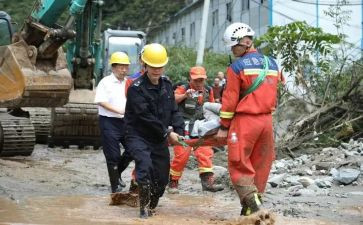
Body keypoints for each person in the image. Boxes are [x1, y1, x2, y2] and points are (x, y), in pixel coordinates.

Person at [216, 23, 283, 217]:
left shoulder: (236, 67)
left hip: (245, 122)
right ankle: (249, 210)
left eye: (234, 45)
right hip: (266, 122)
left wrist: (223, 126)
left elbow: (229, 101)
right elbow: (275, 92)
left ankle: (253, 205)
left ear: (245, 42)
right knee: (262, 163)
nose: (232, 49)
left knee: (239, 162)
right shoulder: (272, 63)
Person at [124, 43, 184, 218]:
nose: (157, 70)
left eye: (160, 66)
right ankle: (143, 210)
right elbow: (145, 117)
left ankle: (152, 206)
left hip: (158, 138)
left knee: (162, 178)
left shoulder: (166, 85)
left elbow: (174, 110)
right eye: (153, 66)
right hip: (138, 135)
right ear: (145, 65)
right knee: (145, 168)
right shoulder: (136, 89)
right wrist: (167, 133)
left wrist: (179, 130)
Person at [168, 66, 224, 194]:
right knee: (182, 155)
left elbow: (210, 107)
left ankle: (208, 182)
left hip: (200, 127)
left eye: (201, 80)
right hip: (183, 128)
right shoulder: (183, 87)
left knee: (205, 152)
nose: (199, 83)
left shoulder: (208, 90)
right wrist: (184, 96)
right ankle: (173, 181)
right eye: (196, 80)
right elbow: (172, 101)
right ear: (190, 79)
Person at [94, 52, 133, 195]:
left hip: (126, 122)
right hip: (109, 122)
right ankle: (115, 186)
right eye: (121, 67)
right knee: (113, 155)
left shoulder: (129, 83)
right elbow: (101, 101)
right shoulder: (105, 82)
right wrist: (118, 110)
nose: (124, 69)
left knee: (132, 149)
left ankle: (117, 174)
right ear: (114, 67)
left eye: (126, 67)